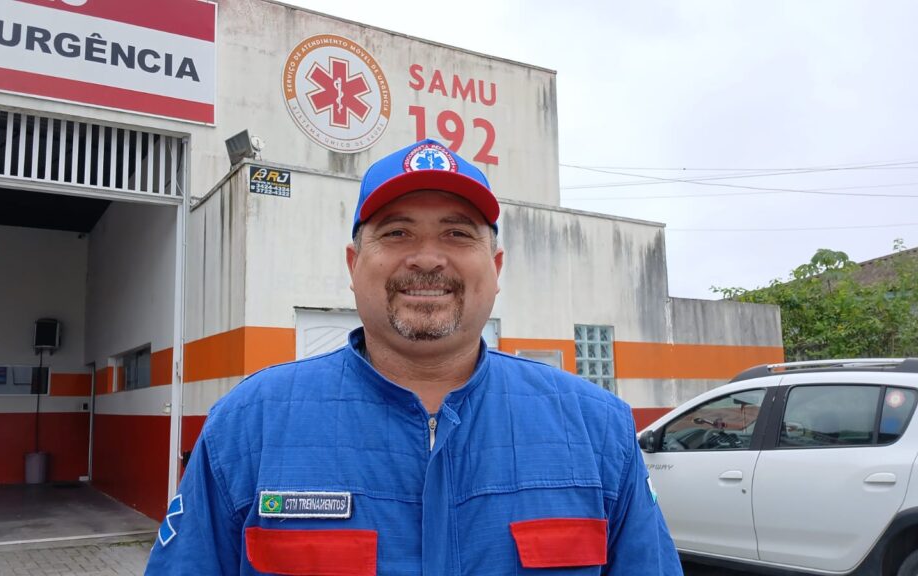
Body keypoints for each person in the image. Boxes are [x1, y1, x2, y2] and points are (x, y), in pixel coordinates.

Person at [145, 139, 682, 575]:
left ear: (495, 267)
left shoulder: (596, 428)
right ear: (354, 266)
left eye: (456, 233)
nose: (427, 258)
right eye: (397, 232)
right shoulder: (249, 423)